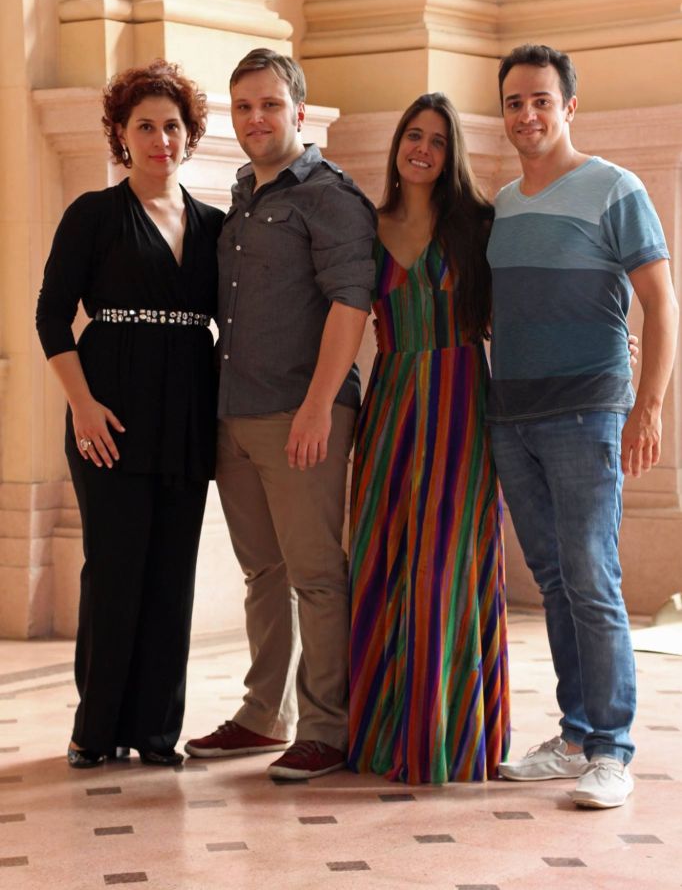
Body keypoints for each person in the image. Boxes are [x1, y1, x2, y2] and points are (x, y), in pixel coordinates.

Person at [489, 44, 679, 808]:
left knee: (593, 578)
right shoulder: (502, 205)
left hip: (588, 412)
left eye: (541, 99)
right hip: (512, 418)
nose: (527, 114)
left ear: (569, 106)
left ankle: (612, 748)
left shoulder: (615, 188)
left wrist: (648, 406)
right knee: (555, 578)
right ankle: (574, 736)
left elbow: (661, 303)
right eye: (514, 102)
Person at [184, 49, 376, 779]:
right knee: (262, 572)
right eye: (243, 107)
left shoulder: (330, 196)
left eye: (269, 105)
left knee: (316, 575)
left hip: (302, 414)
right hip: (235, 414)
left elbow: (351, 304)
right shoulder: (243, 193)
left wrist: (319, 407)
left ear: (299, 110)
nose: (255, 119)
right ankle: (265, 714)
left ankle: (327, 727)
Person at [36, 60, 223, 768]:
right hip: (107, 416)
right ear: (120, 133)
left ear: (189, 134)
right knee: (114, 570)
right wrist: (82, 407)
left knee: (172, 576)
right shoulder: (93, 214)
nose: (160, 139)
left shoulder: (215, 226)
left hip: (187, 415)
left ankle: (154, 732)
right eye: (145, 126)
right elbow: (52, 317)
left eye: (172, 125)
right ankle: (95, 729)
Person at [348, 93, 510, 784]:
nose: (422, 149)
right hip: (389, 404)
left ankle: (448, 738)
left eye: (438, 141)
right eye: (413, 135)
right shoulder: (365, 226)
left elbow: (523, 306)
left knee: (446, 564)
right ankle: (381, 737)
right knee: (381, 558)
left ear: (452, 155)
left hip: (462, 403)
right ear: (397, 146)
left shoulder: (479, 226)